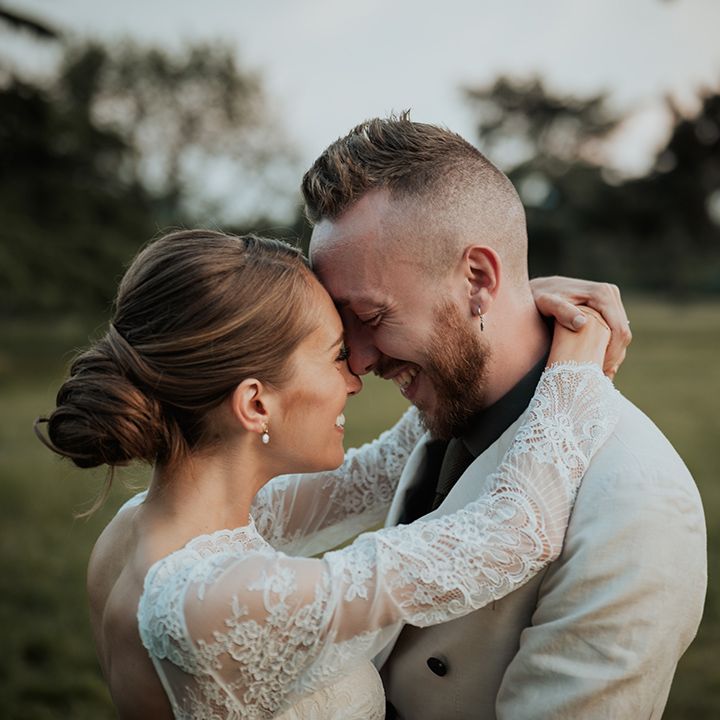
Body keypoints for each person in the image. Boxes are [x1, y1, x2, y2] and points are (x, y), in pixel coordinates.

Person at [35, 229, 618, 719]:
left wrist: (495, 317)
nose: (356, 376)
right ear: (255, 404)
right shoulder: (209, 598)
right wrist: (580, 355)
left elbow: (375, 475)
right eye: (337, 353)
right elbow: (511, 534)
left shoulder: (141, 527)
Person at [301, 115, 707, 719]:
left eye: (372, 315)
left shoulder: (636, 501)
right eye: (344, 324)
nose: (357, 361)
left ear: (478, 279)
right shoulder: (448, 405)